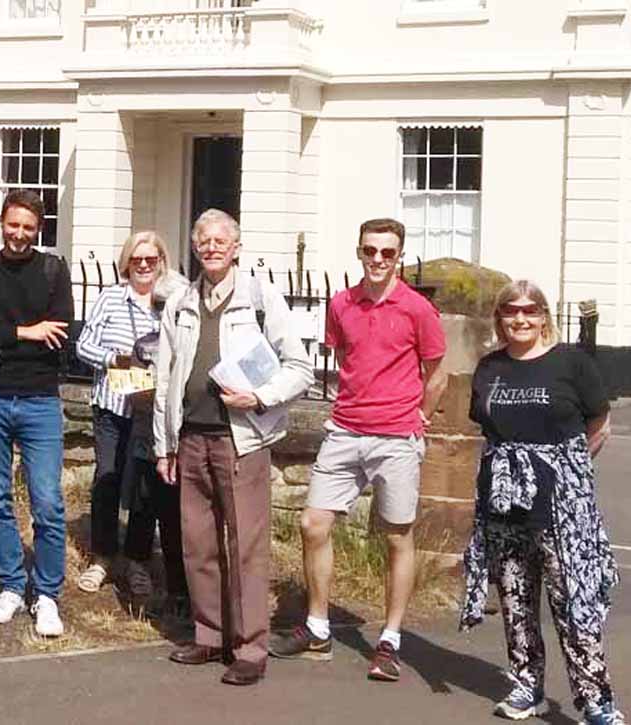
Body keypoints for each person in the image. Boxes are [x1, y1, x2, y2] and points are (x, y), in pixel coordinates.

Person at [270, 218, 447, 683]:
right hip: (345, 430)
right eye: (370, 251)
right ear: (359, 252)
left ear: (400, 256)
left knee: (396, 536)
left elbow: (437, 373)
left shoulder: (417, 309)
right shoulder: (341, 303)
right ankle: (317, 626)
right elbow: (347, 357)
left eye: (387, 253)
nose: (378, 260)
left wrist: (420, 416)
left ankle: (389, 639)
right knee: (313, 523)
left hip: (397, 438)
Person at [153, 208, 313, 686]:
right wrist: (165, 445)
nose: (211, 248)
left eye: (221, 241)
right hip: (191, 439)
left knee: (245, 546)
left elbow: (300, 368)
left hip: (242, 439)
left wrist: (259, 397)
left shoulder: (260, 297)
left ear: (237, 248)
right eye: (203, 241)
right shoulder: (179, 300)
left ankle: (249, 646)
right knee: (197, 543)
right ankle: (209, 635)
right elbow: (164, 379)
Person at [461, 281, 622, 724]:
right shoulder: (490, 367)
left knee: (573, 602)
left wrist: (567, 471)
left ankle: (595, 700)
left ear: (544, 315)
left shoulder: (570, 363)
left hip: (560, 507)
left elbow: (599, 421)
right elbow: (488, 430)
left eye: (530, 311)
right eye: (511, 311)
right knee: (515, 599)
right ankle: (526, 685)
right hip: (503, 505)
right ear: (499, 318)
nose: (520, 319)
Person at [0, 188, 73, 637]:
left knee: (47, 501)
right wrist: (25, 331)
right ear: (2, 222)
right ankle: (10, 585)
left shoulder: (52, 270)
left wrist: (1, 336)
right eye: (13, 224)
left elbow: (60, 332)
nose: (19, 234)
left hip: (40, 398)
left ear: (37, 229)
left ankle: (47, 595)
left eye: (28, 227)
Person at [74, 230, 185, 607]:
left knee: (144, 490)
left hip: (150, 412)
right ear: (126, 262)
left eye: (150, 260)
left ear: (161, 263)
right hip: (111, 405)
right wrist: (113, 358)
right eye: (136, 259)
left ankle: (137, 559)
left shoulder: (171, 301)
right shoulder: (109, 297)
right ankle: (103, 556)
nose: (143, 266)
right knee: (107, 479)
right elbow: (83, 344)